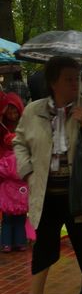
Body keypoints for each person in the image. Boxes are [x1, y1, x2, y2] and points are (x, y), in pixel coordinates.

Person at [12, 55, 82, 294]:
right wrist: (27, 171)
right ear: (53, 82)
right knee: (44, 243)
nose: (75, 84)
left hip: (81, 192)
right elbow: (19, 142)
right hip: (47, 191)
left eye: (77, 79)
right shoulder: (33, 111)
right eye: (68, 79)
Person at [0, 93, 29, 252]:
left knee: (9, 218)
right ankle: (20, 242)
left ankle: (7, 243)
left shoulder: (24, 125)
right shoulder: (2, 126)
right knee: (18, 217)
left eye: (14, 110)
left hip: (9, 188)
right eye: (8, 110)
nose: (12, 113)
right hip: (20, 187)